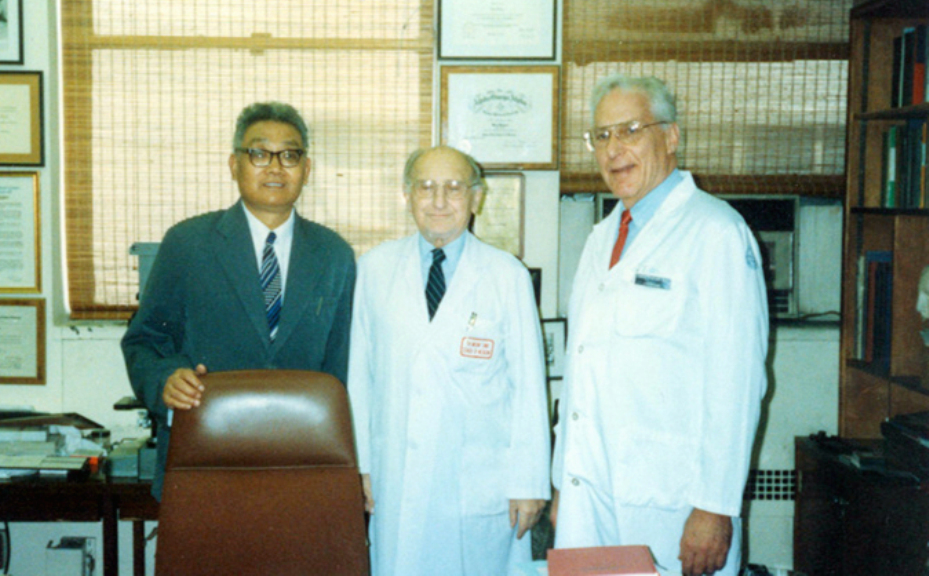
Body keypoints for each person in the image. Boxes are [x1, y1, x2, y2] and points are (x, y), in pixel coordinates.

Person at [550, 74, 768, 576]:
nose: (613, 149)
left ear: (670, 137)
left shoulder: (716, 231)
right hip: (590, 495)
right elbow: (579, 372)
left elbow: (737, 382)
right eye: (601, 135)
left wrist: (715, 506)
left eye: (630, 130)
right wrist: (564, 482)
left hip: (672, 504)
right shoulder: (601, 238)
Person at [121, 102, 356, 501]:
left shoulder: (333, 254)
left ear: (307, 169)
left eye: (290, 155)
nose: (276, 167)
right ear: (234, 164)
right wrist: (165, 380)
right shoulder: (188, 243)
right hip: (205, 458)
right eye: (259, 153)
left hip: (303, 463)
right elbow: (144, 341)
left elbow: (343, 366)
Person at [348, 145, 551, 576]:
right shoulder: (374, 269)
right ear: (407, 195)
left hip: (481, 484)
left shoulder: (506, 276)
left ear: (476, 197)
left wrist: (529, 481)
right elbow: (360, 379)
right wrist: (362, 466)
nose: (439, 201)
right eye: (426, 187)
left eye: (454, 188)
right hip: (396, 475)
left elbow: (529, 387)